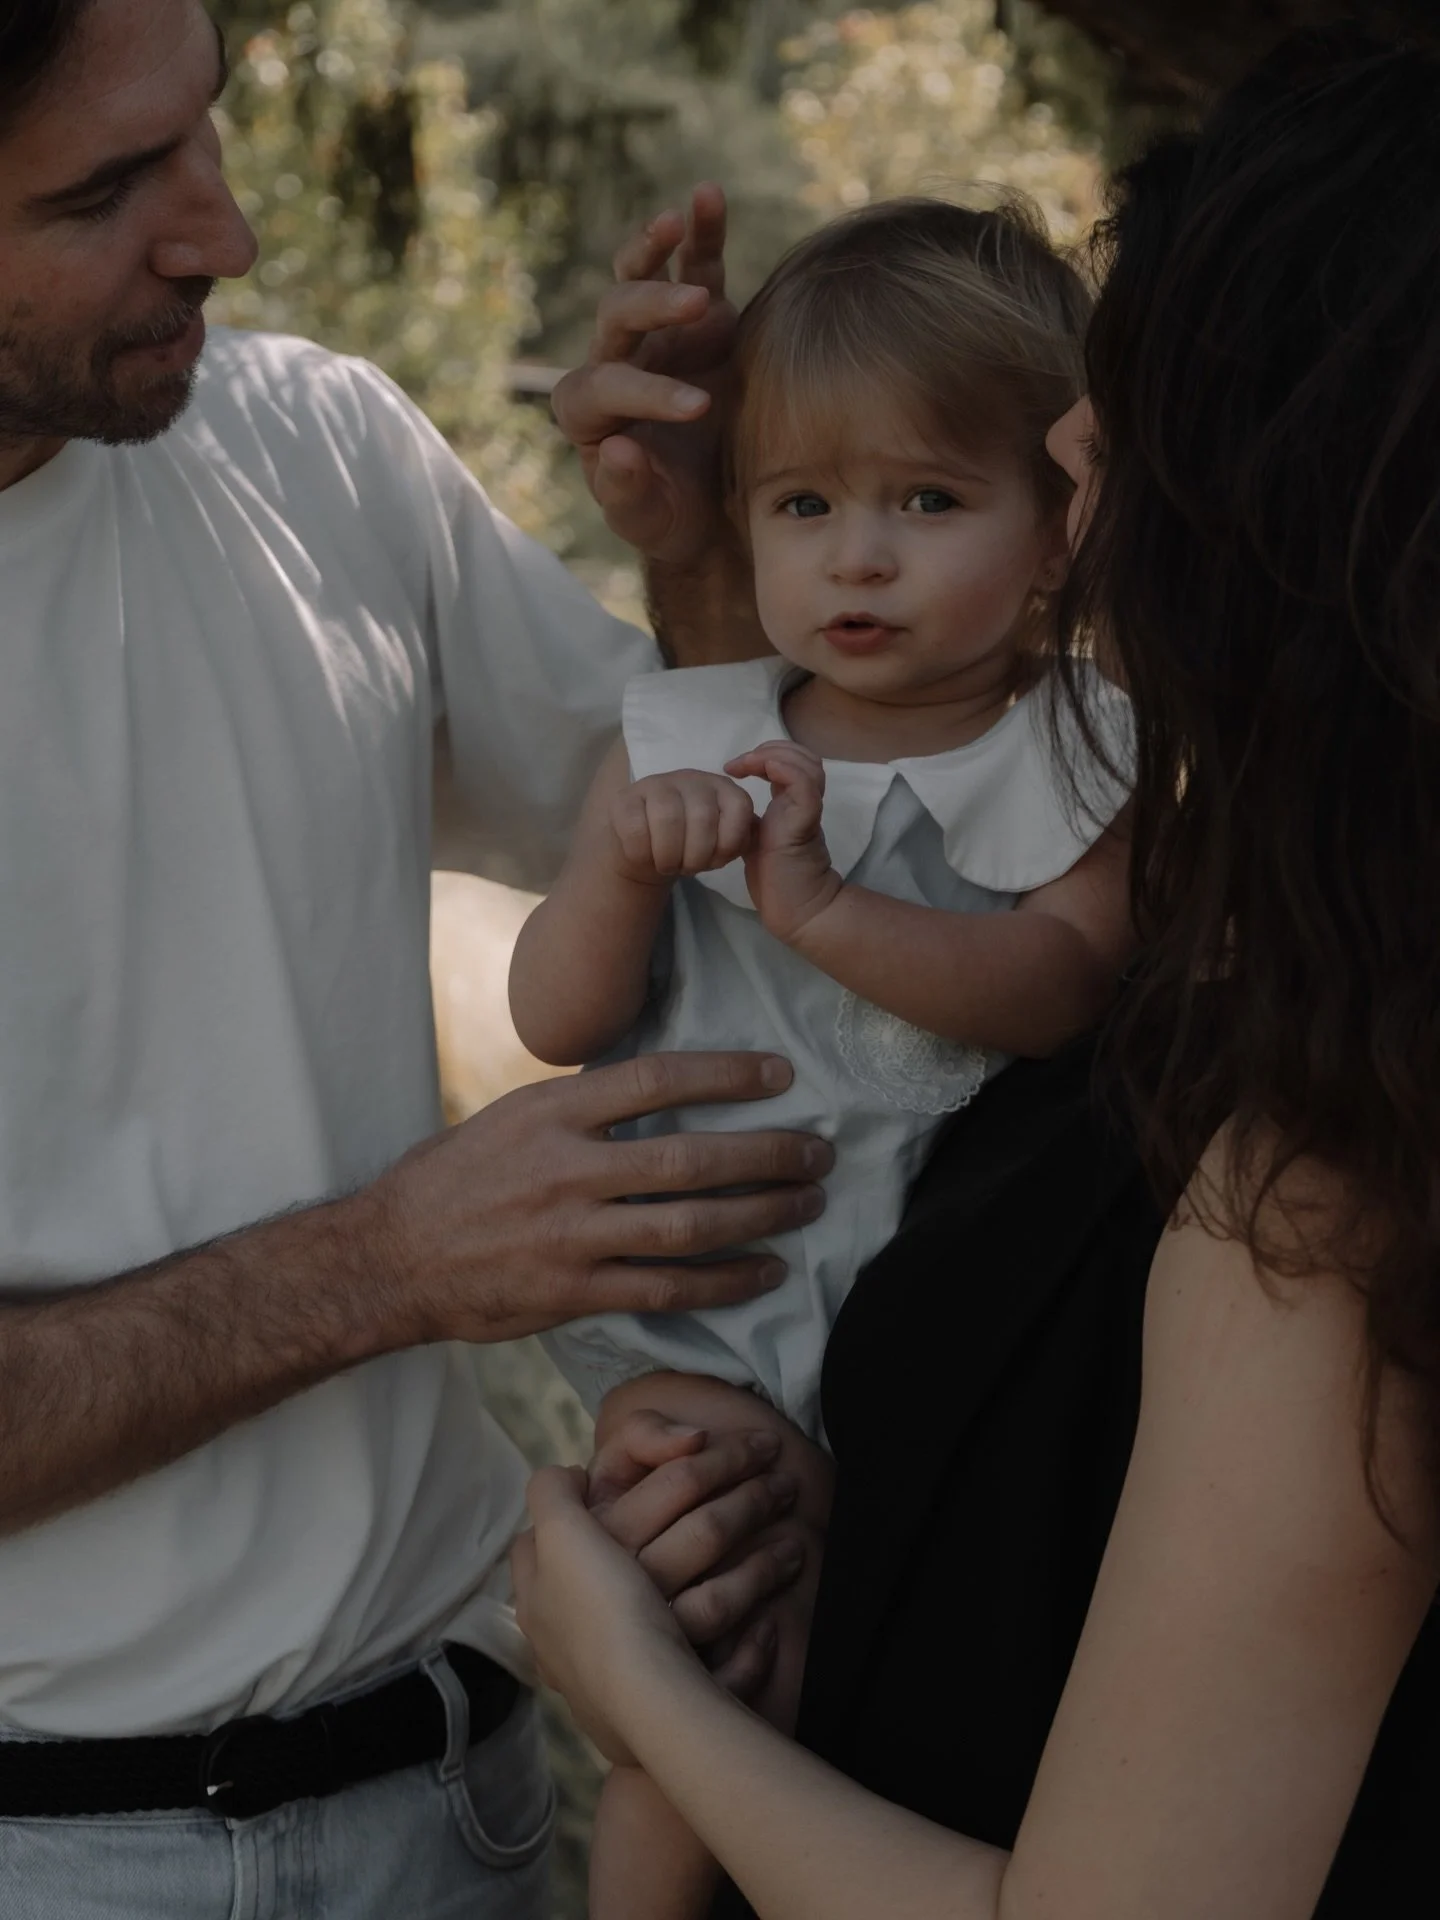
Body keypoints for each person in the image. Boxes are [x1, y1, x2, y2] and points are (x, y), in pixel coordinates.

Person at [515, 28, 1440, 1919]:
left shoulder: (1324, 1179)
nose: (1071, 463)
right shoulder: (1309, 975)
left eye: (1107, 433)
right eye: (817, 502)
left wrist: (624, 1676)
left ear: (1269, 519)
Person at [0, 3, 827, 1915]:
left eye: (200, 134)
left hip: (459, 1813)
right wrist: (385, 1265)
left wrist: (708, 552)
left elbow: (726, 878)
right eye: (106, 189)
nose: (225, 234)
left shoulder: (318, 448)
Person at [510, 195, 1133, 1920]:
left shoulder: (1081, 759)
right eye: (804, 506)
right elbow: (557, 1023)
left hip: (921, 1344)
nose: (857, 558)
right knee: (697, 1670)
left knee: (835, 1694)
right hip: (703, 1304)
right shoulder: (692, 732)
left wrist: (821, 907)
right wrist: (621, 869)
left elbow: (1060, 981)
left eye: (927, 502)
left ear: (1062, 526)